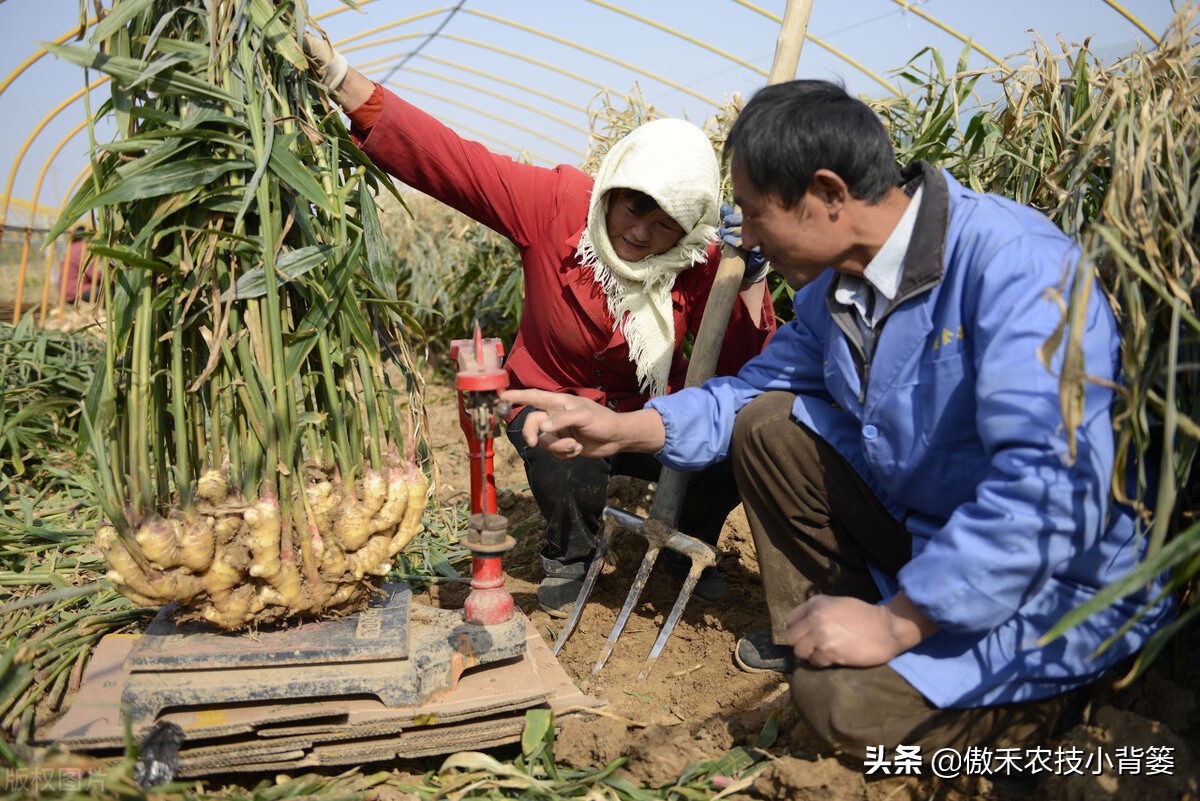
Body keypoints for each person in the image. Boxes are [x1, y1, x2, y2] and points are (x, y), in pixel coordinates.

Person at [501, 80, 1172, 764]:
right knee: (768, 422)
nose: (747, 239)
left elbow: (1046, 487)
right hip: (930, 536)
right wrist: (622, 429)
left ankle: (1054, 716)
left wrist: (896, 623)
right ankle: (828, 635)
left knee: (835, 707)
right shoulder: (836, 290)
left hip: (1049, 587)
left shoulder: (1017, 268)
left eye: (756, 215)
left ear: (827, 194)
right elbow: (745, 395)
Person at [301, 36, 777, 617]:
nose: (642, 234)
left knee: (734, 441)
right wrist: (347, 83)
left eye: (665, 224)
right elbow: (454, 164)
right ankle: (572, 553)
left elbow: (740, 372)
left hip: (648, 416)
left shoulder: (703, 263)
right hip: (551, 394)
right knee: (563, 451)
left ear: (690, 226)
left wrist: (750, 279)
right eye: (633, 208)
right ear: (612, 189)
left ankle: (685, 548)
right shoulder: (555, 205)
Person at [60, 226, 97, 303]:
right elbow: (93, 273)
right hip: (77, 291)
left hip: (67, 292)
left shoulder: (72, 248)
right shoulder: (81, 249)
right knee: (110, 291)